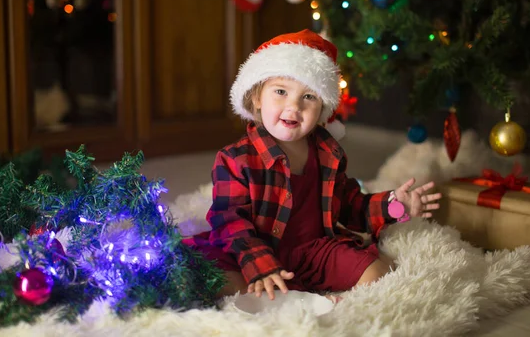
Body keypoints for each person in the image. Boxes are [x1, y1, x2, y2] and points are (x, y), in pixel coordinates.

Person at [183, 29, 441, 300]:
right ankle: (290, 297)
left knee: (379, 273)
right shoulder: (235, 159)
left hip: (313, 250)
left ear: (322, 109)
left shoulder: (327, 152)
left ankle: (297, 294)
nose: (293, 106)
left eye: (309, 97)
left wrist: (394, 205)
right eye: (280, 91)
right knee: (217, 278)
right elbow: (230, 221)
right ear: (257, 98)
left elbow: (350, 204)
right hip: (253, 250)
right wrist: (260, 265)